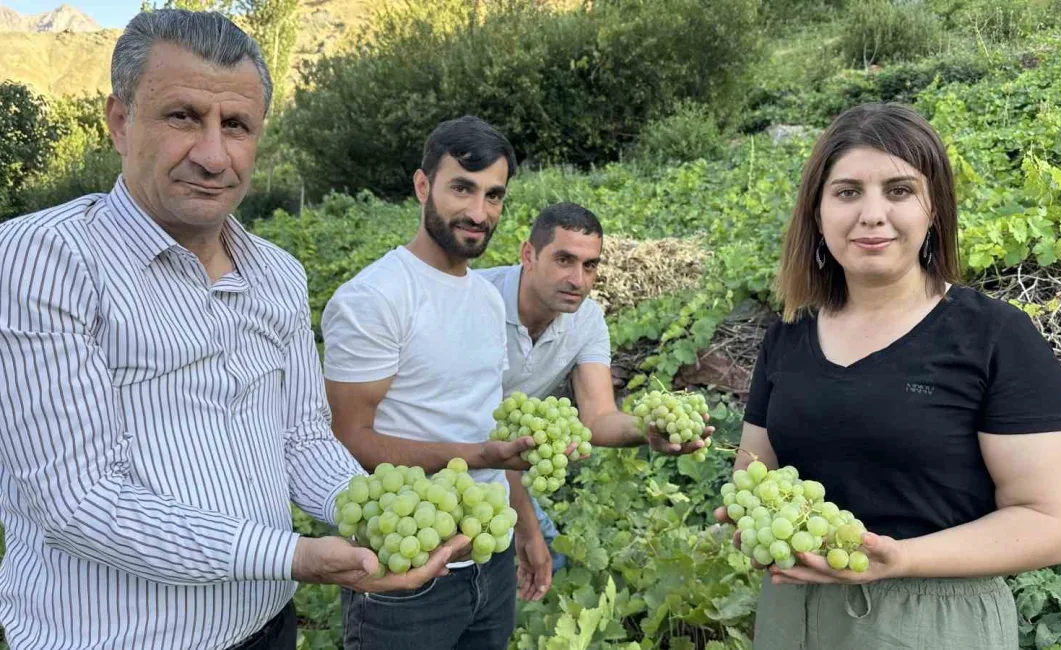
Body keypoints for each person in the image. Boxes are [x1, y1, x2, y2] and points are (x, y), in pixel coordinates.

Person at [0, 10, 462, 650]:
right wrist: (292, 556)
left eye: (236, 126)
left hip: (268, 629)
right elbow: (79, 499)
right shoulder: (43, 260)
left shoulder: (278, 275)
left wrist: (379, 512)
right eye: (182, 117)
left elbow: (302, 438)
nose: (213, 155)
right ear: (119, 121)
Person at [715, 102, 1061, 650]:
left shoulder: (996, 338)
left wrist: (902, 558)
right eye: (846, 192)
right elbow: (757, 472)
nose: (871, 213)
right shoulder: (788, 336)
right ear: (816, 212)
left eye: (899, 190)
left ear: (933, 209)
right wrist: (748, 521)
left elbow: (1054, 525)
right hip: (794, 618)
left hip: (934, 621)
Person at [321, 116, 540, 650]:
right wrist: (479, 455)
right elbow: (351, 438)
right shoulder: (374, 298)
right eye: (461, 188)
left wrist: (526, 530)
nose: (478, 212)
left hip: (489, 555)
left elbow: (487, 422)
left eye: (494, 195)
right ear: (423, 187)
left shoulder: (489, 298)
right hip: (407, 569)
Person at [477, 201, 714, 600]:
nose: (578, 280)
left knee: (539, 558)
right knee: (490, 560)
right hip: (440, 450)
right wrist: (528, 527)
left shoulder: (586, 320)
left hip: (505, 455)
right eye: (564, 260)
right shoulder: (476, 301)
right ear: (528, 255)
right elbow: (477, 432)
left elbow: (599, 417)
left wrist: (648, 428)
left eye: (590, 266)